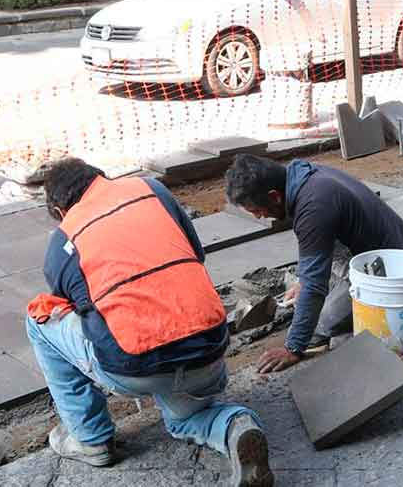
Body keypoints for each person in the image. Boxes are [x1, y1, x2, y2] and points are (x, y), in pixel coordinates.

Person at [24, 158, 273, 486]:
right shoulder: (151, 190)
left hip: (135, 368)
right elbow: (196, 255)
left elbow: (76, 308)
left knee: (40, 319)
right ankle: (234, 424)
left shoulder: (63, 241)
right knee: (185, 419)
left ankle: (90, 438)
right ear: (102, 177)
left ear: (59, 212)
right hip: (209, 353)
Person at [224, 155, 403, 374]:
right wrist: (301, 282)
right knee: (306, 295)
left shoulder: (313, 206)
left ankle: (402, 292)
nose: (259, 216)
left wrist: (293, 347)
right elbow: (316, 249)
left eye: (256, 210)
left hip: (390, 265)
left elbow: (314, 286)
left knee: (325, 320)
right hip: (374, 247)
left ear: (274, 196)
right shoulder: (302, 177)